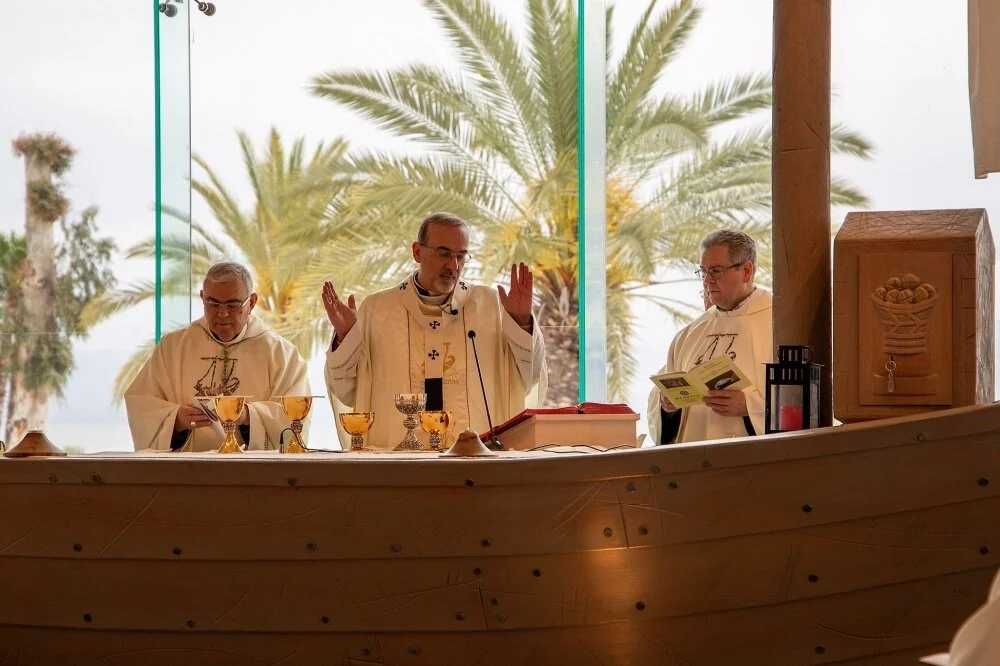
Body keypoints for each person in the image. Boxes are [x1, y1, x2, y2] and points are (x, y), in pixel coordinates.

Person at [323, 212, 547, 449]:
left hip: (475, 456)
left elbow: (529, 376)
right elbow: (347, 391)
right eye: (444, 253)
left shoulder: (490, 305)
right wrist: (345, 337)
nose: (453, 265)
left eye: (462, 256)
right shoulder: (378, 309)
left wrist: (522, 322)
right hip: (398, 459)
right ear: (417, 252)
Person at [125, 262, 310, 452]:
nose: (222, 313)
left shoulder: (281, 354)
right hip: (186, 473)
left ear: (252, 302)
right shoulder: (172, 348)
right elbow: (142, 406)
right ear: (202, 298)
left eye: (232, 304)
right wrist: (177, 419)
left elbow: (294, 418)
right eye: (213, 303)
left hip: (255, 475)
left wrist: (248, 415)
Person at [647, 230, 772, 444]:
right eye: (703, 272)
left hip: (751, 463)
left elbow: (805, 401)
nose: (707, 281)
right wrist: (667, 406)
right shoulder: (690, 334)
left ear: (747, 271)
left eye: (716, 271)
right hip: (694, 462)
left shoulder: (779, 323)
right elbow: (660, 399)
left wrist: (750, 407)